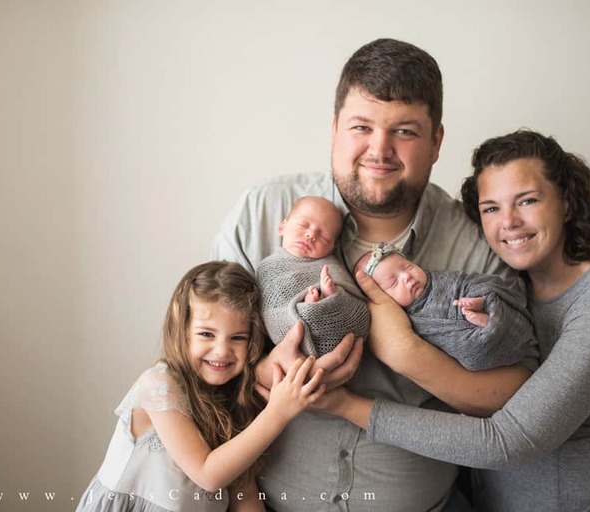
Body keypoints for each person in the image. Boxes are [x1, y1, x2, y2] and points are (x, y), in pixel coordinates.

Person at [211, 38, 531, 512]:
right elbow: (197, 353)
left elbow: (513, 395)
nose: (379, 150)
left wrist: (406, 353)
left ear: (436, 142)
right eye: (361, 127)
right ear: (334, 128)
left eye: (404, 131)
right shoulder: (261, 212)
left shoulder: (477, 241)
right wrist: (260, 367)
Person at [323, 129, 590, 511]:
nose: (508, 222)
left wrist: (345, 405)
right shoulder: (505, 287)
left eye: (527, 201)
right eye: (491, 208)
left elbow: (508, 441)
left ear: (567, 202)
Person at [75, 261, 326, 512]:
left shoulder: (233, 397)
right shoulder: (158, 386)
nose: (222, 351)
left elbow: (244, 493)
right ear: (182, 330)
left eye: (238, 337)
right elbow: (208, 475)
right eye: (207, 334)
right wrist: (278, 412)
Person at [353, 241, 538, 372]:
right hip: (467, 340)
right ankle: (486, 324)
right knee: (469, 351)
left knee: (487, 288)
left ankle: (483, 305)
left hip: (479, 301)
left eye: (407, 267)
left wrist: (477, 294)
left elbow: (465, 281)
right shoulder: (410, 319)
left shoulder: (438, 278)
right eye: (393, 282)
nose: (407, 277)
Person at [257, 196, 370, 357]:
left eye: (323, 236)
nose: (311, 235)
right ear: (282, 227)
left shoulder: (329, 266)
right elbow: (268, 312)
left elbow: (358, 311)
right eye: (303, 225)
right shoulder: (268, 267)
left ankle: (327, 298)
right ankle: (312, 304)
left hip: (337, 332)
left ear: (332, 247)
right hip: (290, 344)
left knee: (333, 289)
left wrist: (334, 296)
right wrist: (305, 308)